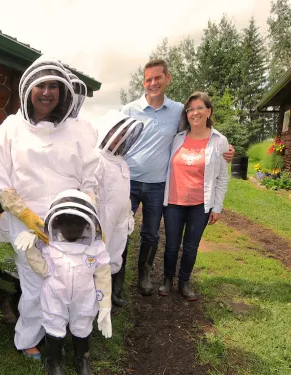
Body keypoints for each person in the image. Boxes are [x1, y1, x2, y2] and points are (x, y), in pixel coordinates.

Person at [0, 55, 99, 360]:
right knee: (34, 283)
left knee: (69, 277)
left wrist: (88, 210)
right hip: (26, 223)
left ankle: (68, 332)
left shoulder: (79, 130)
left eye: (53, 86)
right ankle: (28, 339)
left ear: (63, 91)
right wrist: (26, 215)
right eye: (40, 86)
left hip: (69, 222)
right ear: (28, 90)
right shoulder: (10, 128)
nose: (47, 92)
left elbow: (91, 174)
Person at [120, 59, 235, 296]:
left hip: (157, 186)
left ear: (167, 79)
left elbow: (199, 130)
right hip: (127, 183)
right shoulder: (129, 110)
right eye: (148, 79)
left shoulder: (176, 111)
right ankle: (116, 282)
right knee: (121, 231)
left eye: (157, 78)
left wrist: (225, 148)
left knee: (151, 234)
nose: (153, 83)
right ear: (144, 81)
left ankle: (144, 274)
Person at [14, 189, 112, 375]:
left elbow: (103, 275)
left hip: (85, 296)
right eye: (68, 223)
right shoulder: (50, 246)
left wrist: (105, 306)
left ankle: (82, 359)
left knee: (83, 323)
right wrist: (31, 249)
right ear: (57, 222)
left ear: (88, 222)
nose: (73, 228)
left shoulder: (96, 247)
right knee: (54, 323)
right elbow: (44, 269)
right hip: (55, 295)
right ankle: (53, 363)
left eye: (77, 223)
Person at [159, 92, 229, 300]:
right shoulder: (177, 138)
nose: (194, 112)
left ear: (209, 111)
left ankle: (184, 281)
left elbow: (223, 178)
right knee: (171, 244)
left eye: (199, 108)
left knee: (191, 246)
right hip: (173, 202)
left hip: (200, 204)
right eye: (190, 109)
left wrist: (217, 207)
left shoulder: (219, 141)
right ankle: (167, 280)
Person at [94, 110, 143, 308]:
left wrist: (128, 214)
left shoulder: (122, 161)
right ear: (106, 131)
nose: (118, 136)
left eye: (122, 133)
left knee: (116, 255)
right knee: (98, 258)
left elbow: (124, 192)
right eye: (115, 130)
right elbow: (91, 191)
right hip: (102, 219)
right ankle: (93, 301)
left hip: (120, 220)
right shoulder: (96, 158)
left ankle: (109, 296)